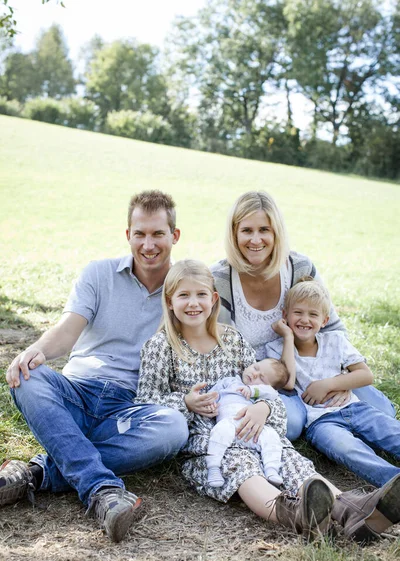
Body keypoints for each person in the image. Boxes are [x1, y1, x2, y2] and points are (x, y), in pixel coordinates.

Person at [136, 258, 400, 543]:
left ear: (213, 299)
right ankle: (299, 516)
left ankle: (353, 511)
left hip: (254, 425)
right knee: (241, 467)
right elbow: (145, 402)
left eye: (201, 294)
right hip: (207, 438)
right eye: (184, 295)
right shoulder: (160, 347)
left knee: (291, 460)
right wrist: (185, 402)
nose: (193, 303)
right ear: (169, 300)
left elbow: (266, 389)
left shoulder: (232, 341)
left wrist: (263, 407)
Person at [2, 190, 189, 543]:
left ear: (174, 236)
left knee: (175, 428)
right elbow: (67, 332)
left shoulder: (185, 290)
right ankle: (102, 490)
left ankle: (38, 473)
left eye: (158, 234)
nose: (148, 244)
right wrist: (37, 350)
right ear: (128, 235)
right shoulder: (99, 274)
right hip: (77, 390)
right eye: (140, 234)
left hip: (131, 406)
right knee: (29, 379)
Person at [211, 190, 395, 441]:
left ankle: (333, 418)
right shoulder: (221, 279)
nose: (255, 240)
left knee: (384, 411)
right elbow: (222, 349)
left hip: (315, 370)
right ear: (234, 233)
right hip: (269, 381)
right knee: (292, 426)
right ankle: (323, 423)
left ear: (276, 233)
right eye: (247, 231)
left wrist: (337, 381)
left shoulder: (299, 267)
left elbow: (333, 328)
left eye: (264, 230)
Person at [266, 279, 400, 489]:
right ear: (285, 316)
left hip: (356, 408)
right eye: (297, 312)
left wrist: (329, 384)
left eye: (313, 314)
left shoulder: (335, 341)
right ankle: (393, 481)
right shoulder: (276, 349)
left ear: (325, 320)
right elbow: (289, 382)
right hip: (320, 423)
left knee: (392, 432)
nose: (304, 320)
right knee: (348, 449)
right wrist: (288, 338)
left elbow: (365, 375)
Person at [206, 357, 289, 488]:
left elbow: (273, 394)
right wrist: (210, 404)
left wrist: (253, 390)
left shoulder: (260, 393)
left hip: (253, 430)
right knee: (218, 432)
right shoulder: (230, 381)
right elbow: (211, 394)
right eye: (256, 368)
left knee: (271, 436)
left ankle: (271, 469)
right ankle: (213, 468)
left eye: (262, 378)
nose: (255, 374)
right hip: (230, 423)